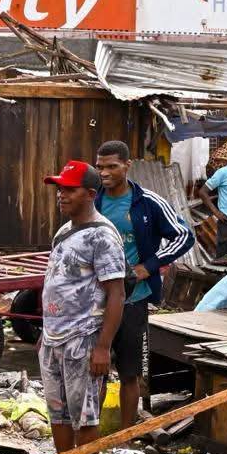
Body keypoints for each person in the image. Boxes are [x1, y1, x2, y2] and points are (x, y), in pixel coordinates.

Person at [28, 160, 126, 454]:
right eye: (60, 189)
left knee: (84, 413)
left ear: (90, 194)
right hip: (54, 338)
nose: (61, 195)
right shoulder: (64, 231)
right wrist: (45, 327)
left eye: (69, 189)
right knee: (58, 411)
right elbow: (56, 283)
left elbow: (116, 293)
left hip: (83, 339)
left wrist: (103, 347)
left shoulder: (103, 235)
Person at [93, 141, 194, 430]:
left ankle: (125, 437)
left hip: (134, 300)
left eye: (112, 166)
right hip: (96, 302)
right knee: (95, 372)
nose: (104, 173)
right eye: (100, 167)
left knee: (129, 372)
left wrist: (147, 267)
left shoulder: (148, 201)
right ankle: (91, 438)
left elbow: (183, 236)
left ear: (127, 165)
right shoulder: (93, 200)